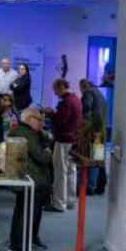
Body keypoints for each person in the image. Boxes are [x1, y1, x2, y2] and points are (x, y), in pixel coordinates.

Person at [6, 108, 53, 251]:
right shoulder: (27, 134)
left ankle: (15, 245)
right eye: (38, 119)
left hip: (26, 179)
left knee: (21, 212)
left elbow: (45, 141)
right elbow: (42, 156)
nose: (41, 123)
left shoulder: (22, 131)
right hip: (33, 180)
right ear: (29, 119)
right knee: (28, 216)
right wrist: (48, 152)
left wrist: (43, 137)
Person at [44, 79, 82, 212]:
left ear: (61, 87)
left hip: (63, 140)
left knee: (60, 172)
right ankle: (70, 201)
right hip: (74, 140)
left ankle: (59, 203)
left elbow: (60, 121)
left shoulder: (66, 102)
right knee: (71, 171)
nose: (55, 93)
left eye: (55, 90)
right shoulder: (76, 99)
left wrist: (50, 113)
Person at [79, 79, 107, 195]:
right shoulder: (100, 95)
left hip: (93, 131)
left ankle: (90, 187)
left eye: (81, 89)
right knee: (98, 158)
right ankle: (100, 186)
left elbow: (86, 107)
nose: (81, 91)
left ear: (83, 87)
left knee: (92, 159)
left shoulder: (88, 93)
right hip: (101, 131)